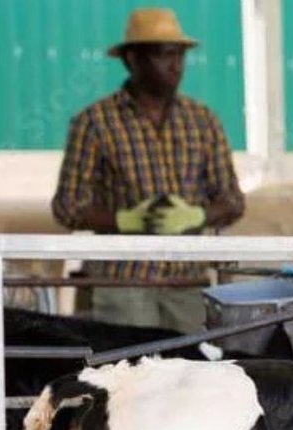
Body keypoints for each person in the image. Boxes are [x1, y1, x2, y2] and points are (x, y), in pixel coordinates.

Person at [51, 7, 245, 332]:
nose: (176, 65)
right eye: (164, 55)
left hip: (187, 282)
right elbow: (67, 207)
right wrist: (126, 220)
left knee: (191, 373)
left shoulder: (202, 121)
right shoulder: (95, 123)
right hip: (122, 284)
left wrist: (196, 216)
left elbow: (233, 201)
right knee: (131, 371)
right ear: (132, 60)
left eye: (180, 55)